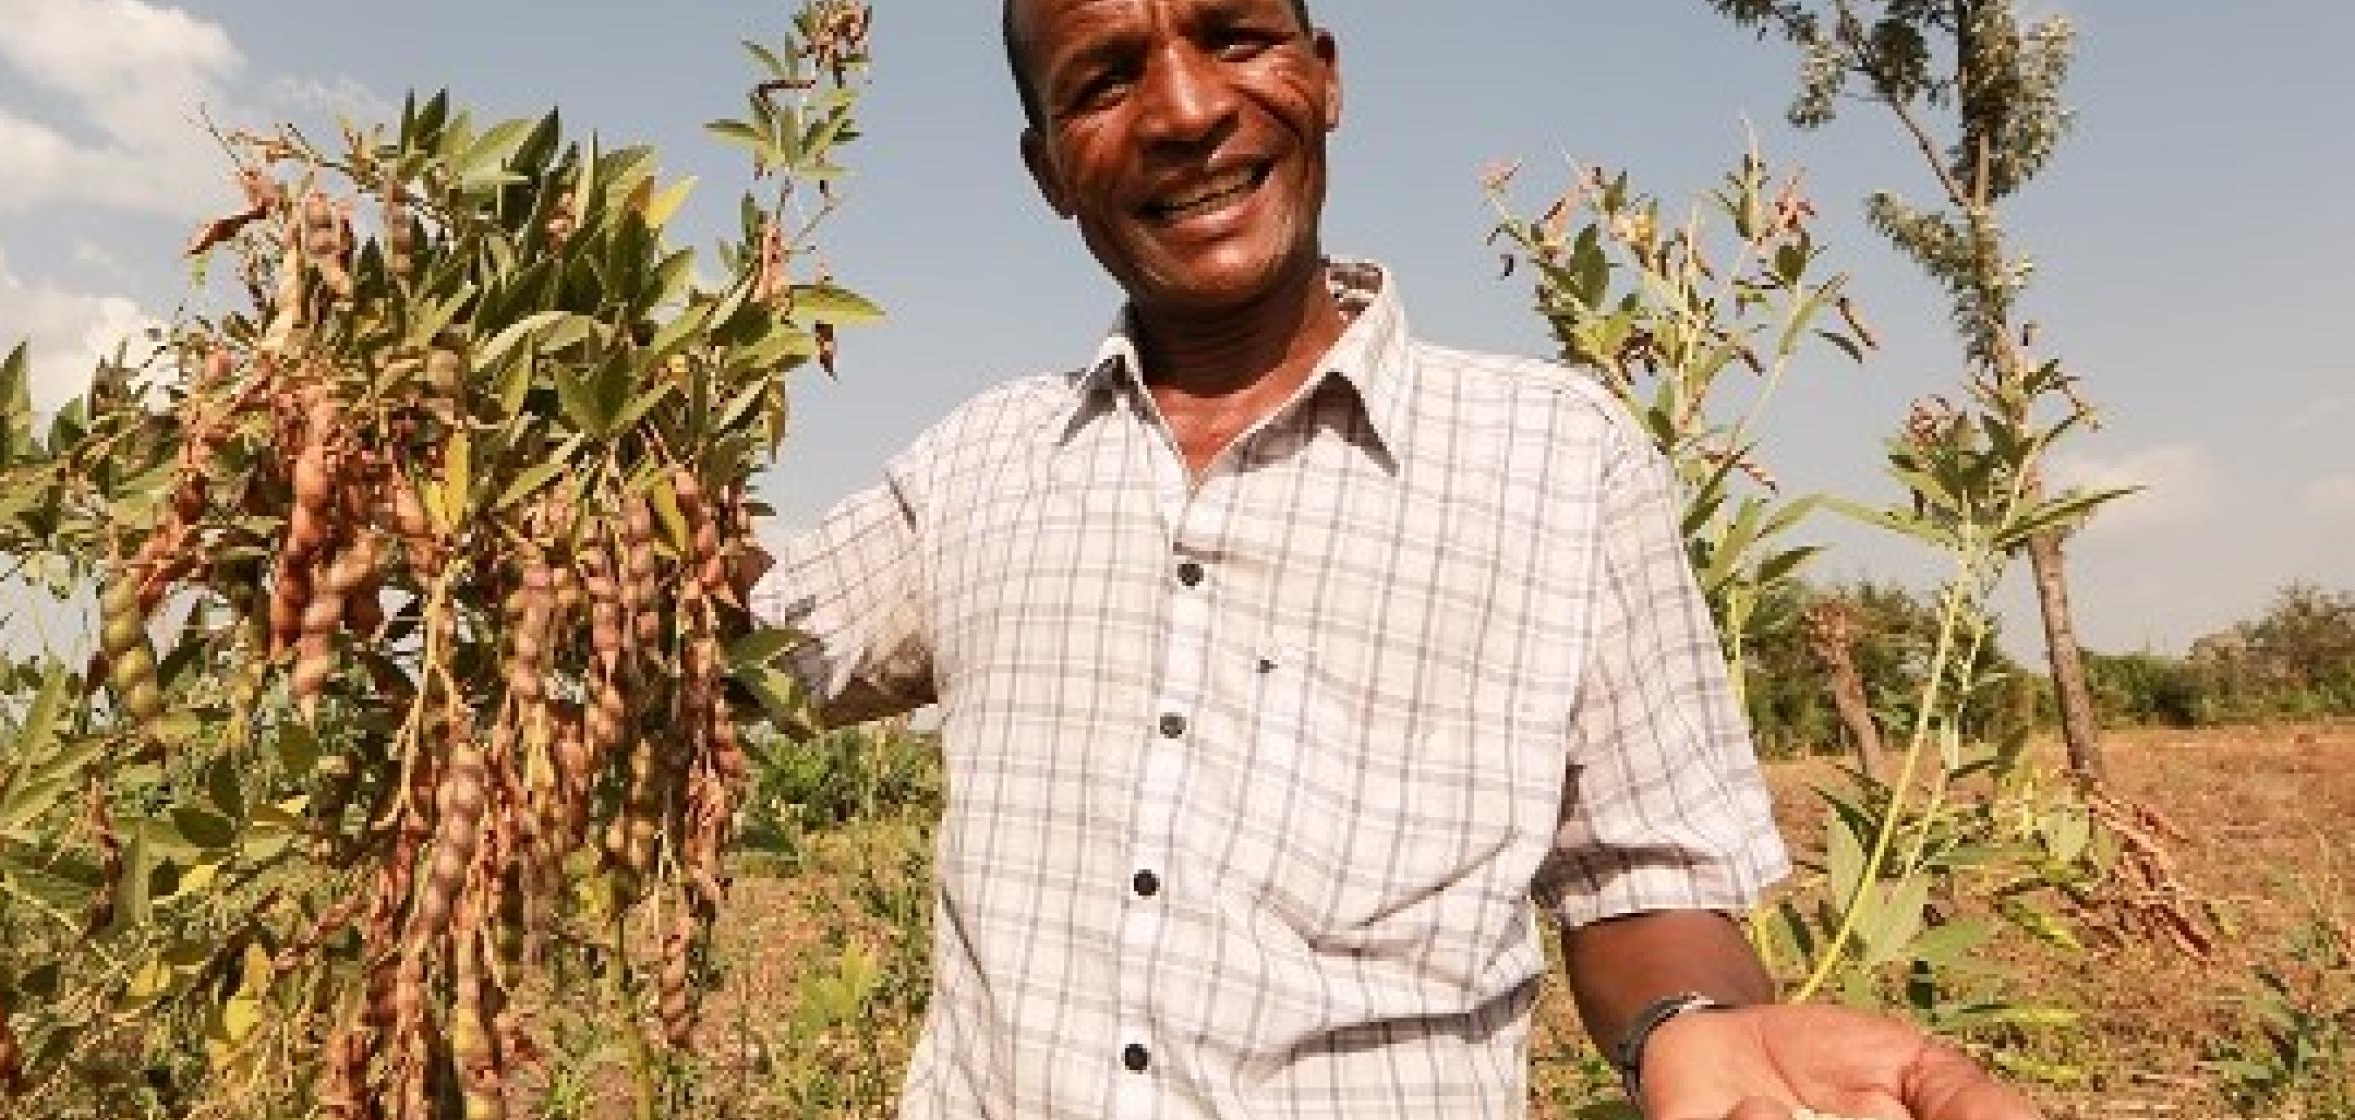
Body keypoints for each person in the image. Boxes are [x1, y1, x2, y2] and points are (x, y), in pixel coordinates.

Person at [749, 1, 2045, 1117]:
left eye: (1235, 37)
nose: (1187, 110)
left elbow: (1643, 883)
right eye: (1104, 77)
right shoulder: (981, 466)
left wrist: (1692, 1024)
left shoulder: (1556, 463)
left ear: (1324, 73)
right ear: (1048, 167)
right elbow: (726, 645)